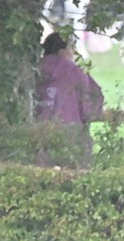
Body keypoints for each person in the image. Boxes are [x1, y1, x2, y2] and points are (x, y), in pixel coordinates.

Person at [35, 31, 105, 166]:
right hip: (70, 135)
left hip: (38, 137)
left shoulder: (33, 70)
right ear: (62, 51)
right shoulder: (75, 72)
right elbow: (89, 108)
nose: (74, 54)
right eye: (72, 49)